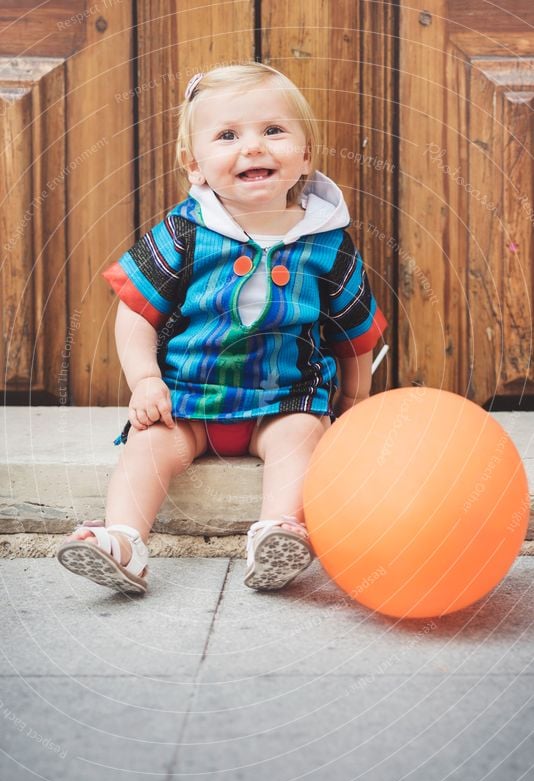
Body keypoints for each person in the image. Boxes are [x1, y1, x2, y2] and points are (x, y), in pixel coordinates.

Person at [56, 62, 387, 594]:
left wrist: (353, 400)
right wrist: (145, 380)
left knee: (305, 436)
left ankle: (278, 531)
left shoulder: (326, 240)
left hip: (285, 398)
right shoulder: (185, 230)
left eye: (273, 130)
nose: (253, 147)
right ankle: (124, 540)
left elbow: (355, 331)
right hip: (186, 400)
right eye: (228, 135)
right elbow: (136, 311)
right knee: (147, 445)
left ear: (306, 154)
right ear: (196, 166)